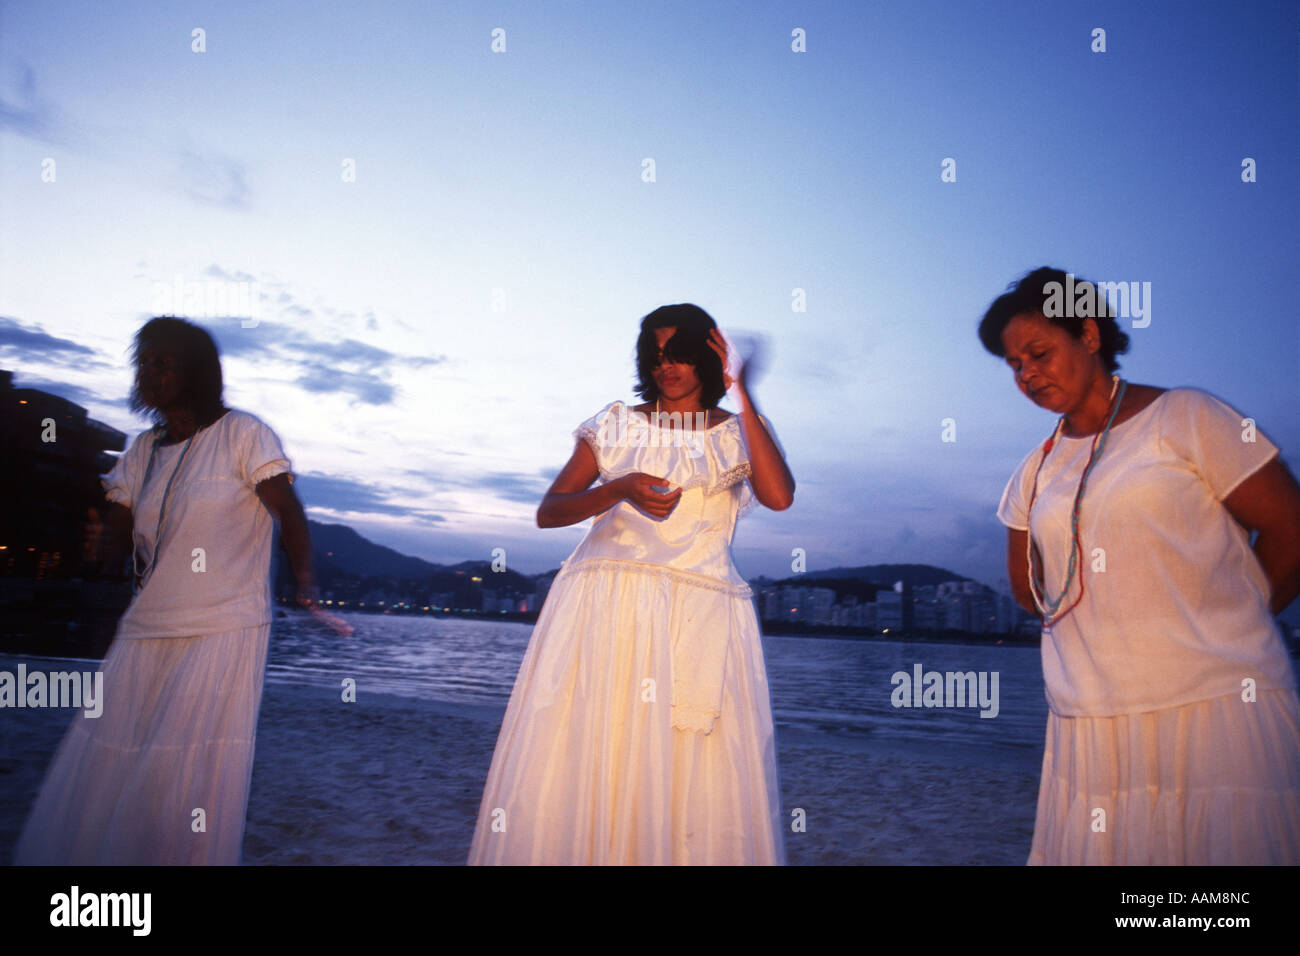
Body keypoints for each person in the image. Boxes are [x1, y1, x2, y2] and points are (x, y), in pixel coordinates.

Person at [980, 267, 1300, 865]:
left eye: (1040, 353)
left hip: (1213, 708)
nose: (1027, 374)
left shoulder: (1186, 417)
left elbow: (1291, 528)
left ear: (1091, 335)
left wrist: (1226, 624)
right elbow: (1029, 588)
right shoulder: (1035, 470)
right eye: (1015, 364)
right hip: (1092, 722)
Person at [468, 304, 795, 865]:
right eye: (657, 354)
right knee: (594, 746)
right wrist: (617, 488)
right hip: (605, 606)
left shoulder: (738, 431)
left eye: (682, 353)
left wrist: (744, 393)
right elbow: (550, 511)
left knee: (690, 763)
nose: (668, 366)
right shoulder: (617, 423)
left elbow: (780, 496)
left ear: (709, 356)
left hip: (697, 609)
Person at [14, 316, 319, 865]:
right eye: (143, 361)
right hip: (146, 625)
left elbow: (288, 511)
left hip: (222, 625)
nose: (148, 372)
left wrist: (304, 581)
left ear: (196, 371)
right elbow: (116, 536)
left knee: (182, 766)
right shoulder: (141, 450)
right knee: (110, 756)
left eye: (162, 361)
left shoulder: (244, 434)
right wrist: (98, 539)